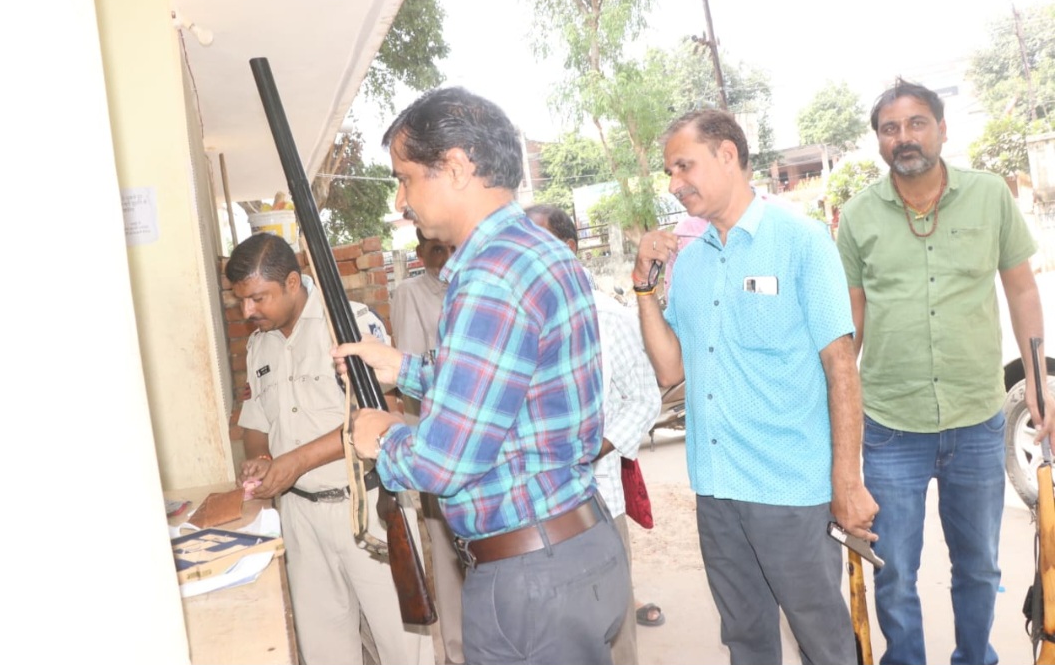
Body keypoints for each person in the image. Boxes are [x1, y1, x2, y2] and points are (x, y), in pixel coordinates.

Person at [333, 87, 631, 665]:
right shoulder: (539, 251)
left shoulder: (489, 277)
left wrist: (380, 438)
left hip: (529, 581)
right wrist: (402, 368)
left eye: (405, 178)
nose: (400, 200)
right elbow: (508, 390)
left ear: (456, 167)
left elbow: (442, 462)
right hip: (576, 549)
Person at [633, 108, 878, 665]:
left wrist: (848, 480)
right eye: (670, 172)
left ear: (727, 155)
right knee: (745, 640)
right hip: (716, 490)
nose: (674, 184)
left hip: (790, 490)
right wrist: (644, 288)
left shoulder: (801, 241)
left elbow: (841, 366)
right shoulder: (689, 264)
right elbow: (671, 370)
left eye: (683, 166)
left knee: (823, 642)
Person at [836, 78, 1055, 665]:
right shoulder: (857, 216)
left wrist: (1038, 384)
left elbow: (1023, 291)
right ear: (879, 141)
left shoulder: (989, 196)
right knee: (893, 570)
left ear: (941, 129)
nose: (904, 137)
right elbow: (850, 328)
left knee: (979, 567)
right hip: (890, 427)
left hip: (976, 420)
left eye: (916, 123)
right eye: (890, 128)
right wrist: (837, 418)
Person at [226, 233, 431, 665]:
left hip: (368, 508)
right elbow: (256, 425)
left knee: (403, 647)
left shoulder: (349, 325)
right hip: (301, 517)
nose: (247, 311)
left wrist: (296, 462)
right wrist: (262, 461)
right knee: (325, 651)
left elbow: (382, 416)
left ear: (293, 283)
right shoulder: (260, 344)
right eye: (241, 300)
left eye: (258, 298)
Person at [525, 203, 662, 665]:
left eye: (538, 243)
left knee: (614, 631)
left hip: (597, 501)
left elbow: (644, 399)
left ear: (567, 249)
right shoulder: (521, 318)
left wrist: (591, 449)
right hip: (538, 509)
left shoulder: (606, 316)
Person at [389, 228, 464, 665]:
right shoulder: (410, 294)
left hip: (479, 437)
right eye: (436, 249)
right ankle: (456, 654)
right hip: (437, 438)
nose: (446, 257)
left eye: (451, 247)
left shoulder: (473, 284)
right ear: (419, 252)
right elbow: (411, 371)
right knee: (449, 554)